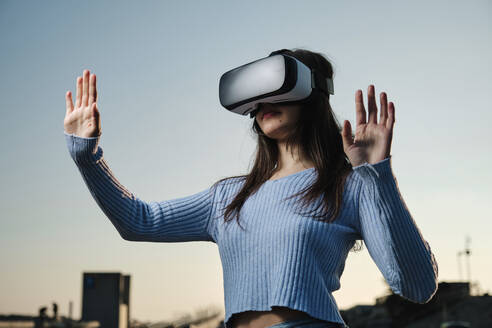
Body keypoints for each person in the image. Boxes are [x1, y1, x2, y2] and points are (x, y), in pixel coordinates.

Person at [63, 48, 438, 328]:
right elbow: (138, 221)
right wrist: (87, 155)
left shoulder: (349, 185)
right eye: (256, 96)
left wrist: (377, 174)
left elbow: (416, 285)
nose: (263, 103)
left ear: (311, 95)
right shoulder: (227, 197)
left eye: (276, 88)